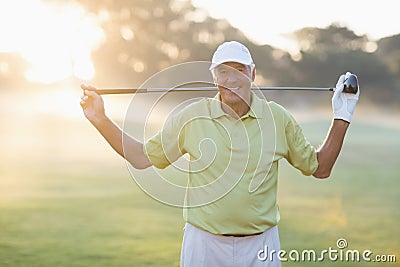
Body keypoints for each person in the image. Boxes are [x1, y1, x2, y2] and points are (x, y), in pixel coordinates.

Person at [80, 41, 360, 266]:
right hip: (204, 245)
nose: (232, 78)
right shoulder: (192, 116)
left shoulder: (277, 118)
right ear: (214, 77)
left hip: (260, 246)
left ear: (252, 74)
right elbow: (141, 158)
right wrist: (100, 119)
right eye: (223, 71)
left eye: (239, 70)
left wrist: (342, 115)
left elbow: (320, 168)